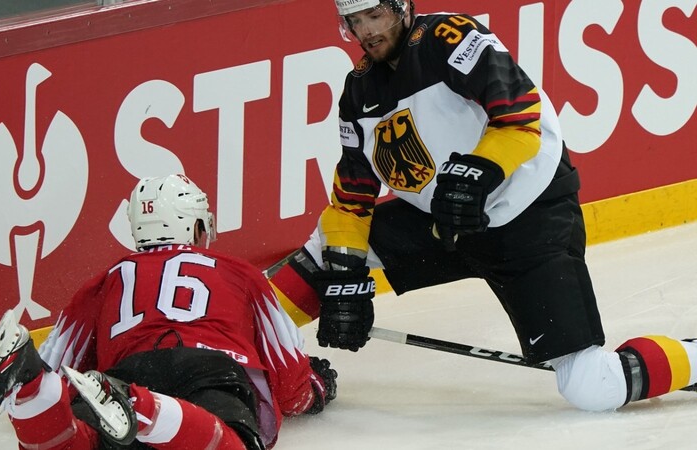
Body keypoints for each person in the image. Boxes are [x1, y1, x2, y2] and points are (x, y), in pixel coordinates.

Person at [268, 0, 696, 412]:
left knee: (592, 386)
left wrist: (476, 172)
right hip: (445, 222)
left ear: (401, 7)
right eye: (355, 20)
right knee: (329, 251)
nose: (366, 32)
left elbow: (520, 117)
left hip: (528, 219)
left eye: (374, 15)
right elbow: (350, 204)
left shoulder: (450, 38)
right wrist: (344, 282)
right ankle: (239, 338)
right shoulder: (359, 91)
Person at [0, 174, 338, 449]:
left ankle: (28, 381)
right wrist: (316, 390)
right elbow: (290, 381)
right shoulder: (239, 272)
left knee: (78, 444)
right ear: (194, 226)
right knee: (226, 445)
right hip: (209, 373)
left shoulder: (103, 281)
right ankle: (138, 405)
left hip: (129, 370)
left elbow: (61, 367)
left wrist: (50, 380)